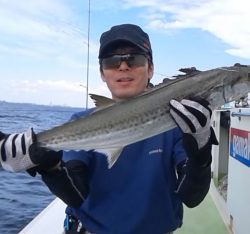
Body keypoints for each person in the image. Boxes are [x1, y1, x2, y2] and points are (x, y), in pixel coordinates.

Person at [0, 24, 218, 234]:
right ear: (103, 73)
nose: (123, 66)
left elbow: (192, 196)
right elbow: (76, 195)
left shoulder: (178, 123)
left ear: (150, 69)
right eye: (112, 61)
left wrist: (200, 150)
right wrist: (49, 166)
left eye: (134, 58)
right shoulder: (80, 122)